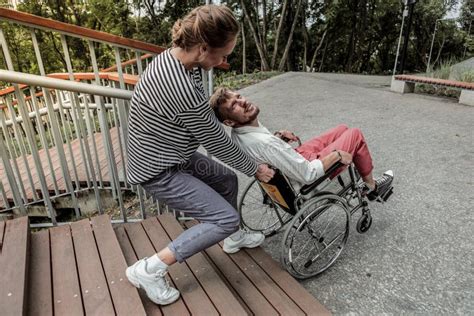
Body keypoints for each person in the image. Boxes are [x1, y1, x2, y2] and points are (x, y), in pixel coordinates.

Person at [125, 5, 274, 306]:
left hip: (172, 152)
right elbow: (217, 142)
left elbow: (201, 121)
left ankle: (232, 238)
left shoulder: (179, 61)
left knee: (226, 179)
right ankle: (149, 269)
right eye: (222, 55)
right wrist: (256, 168)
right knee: (224, 218)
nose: (224, 61)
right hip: (158, 169)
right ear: (204, 47)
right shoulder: (179, 86)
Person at [209, 87, 394, 199]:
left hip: (292, 161)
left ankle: (366, 181)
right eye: (234, 106)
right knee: (355, 134)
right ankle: (372, 188)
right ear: (229, 122)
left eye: (239, 97)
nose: (243, 102)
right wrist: (336, 155)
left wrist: (278, 137)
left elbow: (265, 150)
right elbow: (307, 174)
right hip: (304, 175)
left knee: (342, 129)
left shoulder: (239, 133)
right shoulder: (265, 143)